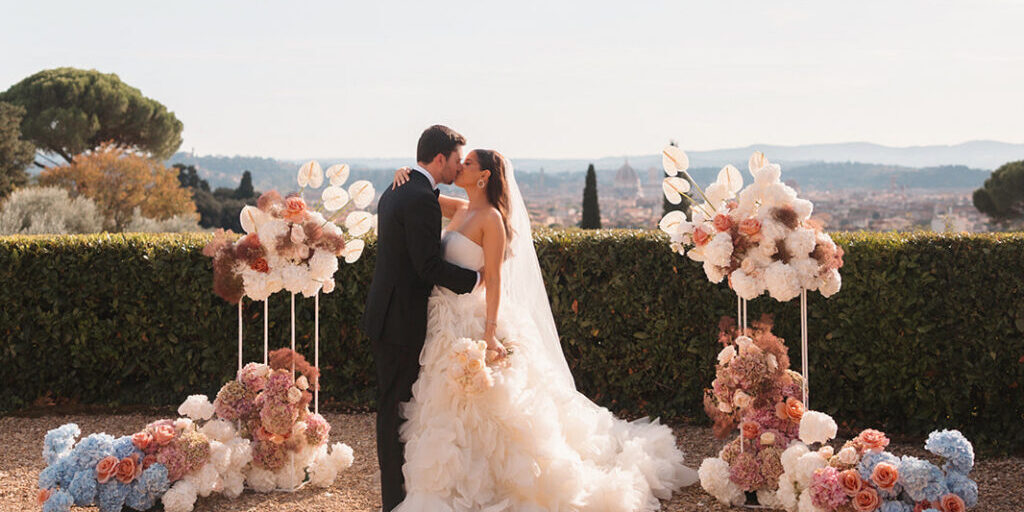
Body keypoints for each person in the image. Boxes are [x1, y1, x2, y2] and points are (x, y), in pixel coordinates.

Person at [388, 148, 698, 511]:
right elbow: (424, 197)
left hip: (470, 322)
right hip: (443, 322)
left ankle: (491, 486)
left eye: (468, 163)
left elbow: (495, 281)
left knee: (487, 408)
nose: (460, 167)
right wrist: (405, 175)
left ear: (485, 176)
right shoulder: (461, 208)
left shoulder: (491, 219)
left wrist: (489, 334)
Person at [360, 125, 480, 511]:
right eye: (457, 161)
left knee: (394, 407)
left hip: (388, 314)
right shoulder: (419, 198)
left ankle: (402, 496)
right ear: (440, 158)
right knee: (394, 410)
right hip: (400, 321)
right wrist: (477, 279)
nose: (459, 168)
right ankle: (394, 501)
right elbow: (428, 266)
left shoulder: (402, 187)